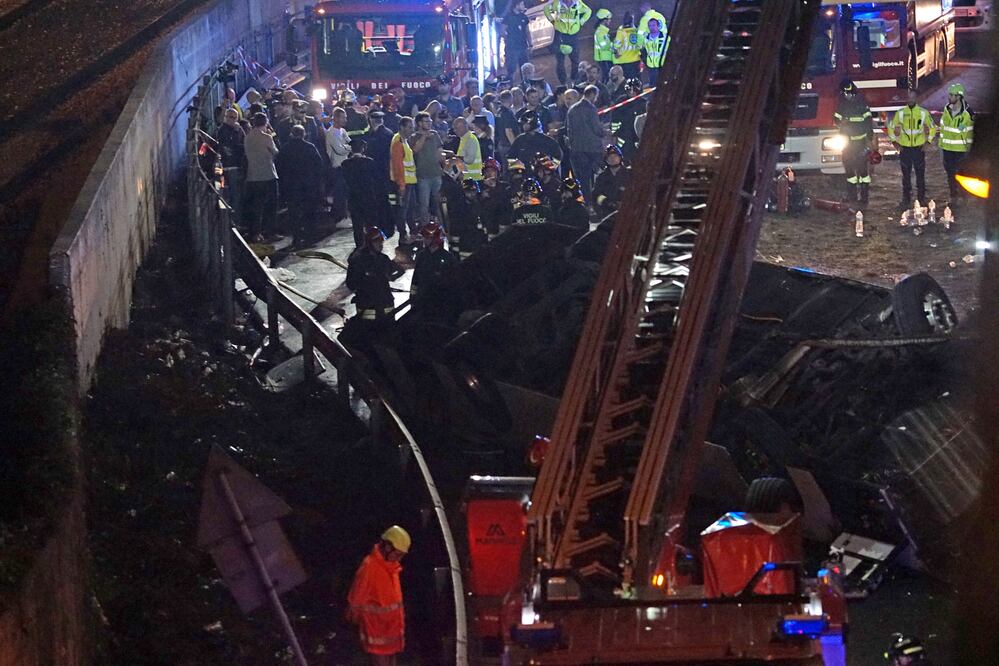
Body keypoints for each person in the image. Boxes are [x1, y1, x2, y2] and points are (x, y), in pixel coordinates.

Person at [347, 526, 410, 665]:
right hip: (377, 630)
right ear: (387, 547)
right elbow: (356, 600)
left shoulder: (391, 567)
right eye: (397, 554)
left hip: (391, 629)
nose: (398, 559)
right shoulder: (370, 567)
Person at [275, 124, 324, 244]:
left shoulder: (285, 148)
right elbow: (319, 165)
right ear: (304, 134)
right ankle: (310, 236)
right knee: (310, 211)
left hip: (292, 185)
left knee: (294, 212)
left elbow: (279, 166)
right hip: (309, 185)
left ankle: (296, 237)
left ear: (291, 134)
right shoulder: (310, 147)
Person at [888, 88, 936, 208]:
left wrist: (928, 142)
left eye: (912, 97)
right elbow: (891, 127)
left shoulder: (923, 112)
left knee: (920, 175)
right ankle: (906, 199)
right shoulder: (901, 113)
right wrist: (894, 141)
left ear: (916, 99)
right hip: (905, 149)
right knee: (906, 176)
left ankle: (921, 199)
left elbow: (933, 128)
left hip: (918, 149)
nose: (910, 100)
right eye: (908, 97)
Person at [833, 79, 874, 204]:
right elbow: (836, 118)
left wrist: (869, 137)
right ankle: (853, 197)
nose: (845, 96)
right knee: (850, 172)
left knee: (863, 173)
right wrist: (840, 123)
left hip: (860, 143)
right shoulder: (843, 104)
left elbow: (868, 120)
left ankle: (864, 197)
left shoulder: (861, 103)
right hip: (848, 144)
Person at [343, 140, 390, 244]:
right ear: (363, 149)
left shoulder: (345, 164)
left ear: (351, 149)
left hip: (353, 198)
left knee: (357, 225)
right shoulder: (369, 162)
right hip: (368, 197)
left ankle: (359, 246)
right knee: (371, 223)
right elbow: (377, 181)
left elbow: (344, 184)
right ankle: (372, 243)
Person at [243, 112, 280, 241]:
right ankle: (271, 231)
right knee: (271, 205)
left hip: (253, 175)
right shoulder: (266, 137)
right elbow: (275, 152)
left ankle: (256, 232)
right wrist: (273, 136)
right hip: (268, 174)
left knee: (256, 206)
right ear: (266, 122)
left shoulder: (247, 137)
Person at [566, 85, 605, 204]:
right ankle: (598, 201)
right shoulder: (591, 109)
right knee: (598, 175)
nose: (596, 99)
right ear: (592, 94)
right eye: (596, 96)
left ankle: (587, 203)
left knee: (583, 179)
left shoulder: (572, 109)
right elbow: (596, 129)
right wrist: (603, 131)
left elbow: (569, 131)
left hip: (577, 150)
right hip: (592, 150)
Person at [938, 82, 974, 203]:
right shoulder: (946, 110)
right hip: (947, 149)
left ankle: (964, 197)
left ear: (958, 96)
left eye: (952, 95)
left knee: (962, 175)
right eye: (949, 95)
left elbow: (962, 131)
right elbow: (944, 128)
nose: (949, 97)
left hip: (961, 150)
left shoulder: (968, 114)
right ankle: (953, 196)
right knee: (950, 175)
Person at [543, 0, 592, 85]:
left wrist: (581, 21)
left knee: (575, 60)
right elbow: (546, 9)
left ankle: (574, 80)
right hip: (560, 35)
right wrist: (552, 21)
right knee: (560, 61)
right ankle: (563, 82)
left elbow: (588, 11)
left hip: (574, 35)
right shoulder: (557, 3)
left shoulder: (577, 2)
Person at [412, 111, 445, 227]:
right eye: (427, 121)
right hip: (423, 176)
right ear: (419, 123)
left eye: (430, 121)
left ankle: (443, 226)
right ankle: (425, 228)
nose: (430, 123)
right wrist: (424, 136)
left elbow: (440, 152)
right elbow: (415, 150)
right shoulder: (414, 136)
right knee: (424, 205)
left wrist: (444, 166)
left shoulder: (435, 135)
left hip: (436, 174)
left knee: (439, 203)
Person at [391, 116, 419, 242]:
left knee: (410, 209)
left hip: (410, 181)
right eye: (409, 127)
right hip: (404, 182)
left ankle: (413, 232)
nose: (412, 130)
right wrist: (401, 185)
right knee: (402, 210)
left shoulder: (404, 140)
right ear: (402, 127)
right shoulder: (398, 141)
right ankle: (403, 235)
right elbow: (398, 165)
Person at [411, 223, 459, 297]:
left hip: (440, 300)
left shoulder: (448, 258)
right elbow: (416, 279)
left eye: (426, 238)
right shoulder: (422, 256)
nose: (424, 240)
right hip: (423, 299)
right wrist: (413, 298)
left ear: (433, 238)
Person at [216, 108, 246, 223]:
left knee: (237, 196)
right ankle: (233, 222)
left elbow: (244, 143)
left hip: (236, 166)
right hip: (229, 166)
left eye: (234, 118)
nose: (232, 120)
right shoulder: (223, 130)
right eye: (230, 117)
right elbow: (230, 147)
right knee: (233, 196)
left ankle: (236, 221)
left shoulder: (238, 130)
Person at [325, 107, 352, 222]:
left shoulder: (343, 131)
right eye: (343, 117)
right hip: (337, 167)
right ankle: (339, 218)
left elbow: (349, 142)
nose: (345, 120)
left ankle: (343, 216)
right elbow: (339, 150)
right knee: (339, 193)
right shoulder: (331, 133)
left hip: (344, 166)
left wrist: (347, 147)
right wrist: (349, 148)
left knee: (344, 193)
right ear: (335, 118)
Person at [611, 77, 646, 160]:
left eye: (634, 91)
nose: (632, 93)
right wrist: (614, 135)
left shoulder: (643, 103)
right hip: (623, 137)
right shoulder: (621, 102)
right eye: (630, 90)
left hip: (637, 138)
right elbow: (615, 120)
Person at [592, 144, 630, 216]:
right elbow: (596, 196)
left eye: (615, 156)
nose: (612, 159)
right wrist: (608, 203)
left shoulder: (630, 174)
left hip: (627, 213)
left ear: (620, 158)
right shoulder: (601, 177)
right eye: (609, 157)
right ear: (606, 160)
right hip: (607, 213)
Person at [480, 157, 513, 234]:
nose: (490, 173)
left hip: (500, 224)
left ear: (497, 172)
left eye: (493, 171)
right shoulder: (479, 186)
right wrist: (481, 196)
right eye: (487, 171)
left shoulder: (505, 186)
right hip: (484, 224)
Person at [503, 0, 532, 83]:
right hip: (512, 48)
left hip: (523, 46)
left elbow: (527, 31)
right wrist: (509, 40)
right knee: (511, 69)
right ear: (516, 5)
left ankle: (525, 86)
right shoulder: (508, 17)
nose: (523, 5)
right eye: (522, 4)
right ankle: (510, 86)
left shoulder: (523, 17)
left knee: (525, 68)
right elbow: (502, 31)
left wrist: (530, 45)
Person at [453, 116, 483, 181]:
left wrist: (456, 158)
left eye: (456, 128)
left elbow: (470, 159)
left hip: (473, 178)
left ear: (464, 127)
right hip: (467, 178)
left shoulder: (470, 139)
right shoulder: (464, 139)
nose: (455, 131)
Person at [613, 12, 642, 80]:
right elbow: (640, 44)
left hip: (624, 60)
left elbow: (616, 45)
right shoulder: (636, 30)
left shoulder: (621, 31)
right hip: (636, 59)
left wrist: (615, 52)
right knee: (637, 79)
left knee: (627, 81)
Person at [641, 18, 668, 86]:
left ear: (658, 26)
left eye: (653, 25)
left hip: (662, 66)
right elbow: (643, 51)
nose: (651, 27)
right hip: (651, 67)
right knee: (653, 86)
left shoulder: (665, 38)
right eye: (650, 26)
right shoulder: (645, 39)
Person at [494, 90, 519, 160]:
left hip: (501, 144)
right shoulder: (507, 113)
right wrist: (515, 146)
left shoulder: (499, 112)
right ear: (510, 99)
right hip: (508, 145)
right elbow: (508, 131)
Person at [593, 9, 614, 80]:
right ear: (604, 20)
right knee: (607, 77)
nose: (610, 21)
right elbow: (604, 46)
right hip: (603, 58)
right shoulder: (600, 32)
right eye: (609, 19)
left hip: (606, 57)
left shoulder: (603, 31)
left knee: (607, 76)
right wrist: (614, 45)